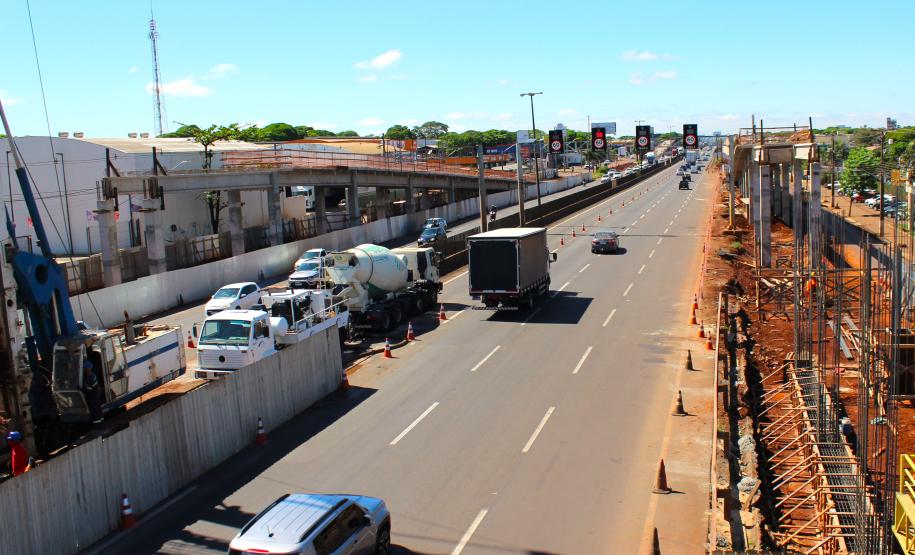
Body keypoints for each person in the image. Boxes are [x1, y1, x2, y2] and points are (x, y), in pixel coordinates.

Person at [83, 359, 104, 424]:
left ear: (87, 369)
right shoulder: (92, 375)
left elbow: (87, 389)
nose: (83, 370)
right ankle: (102, 423)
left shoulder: (90, 377)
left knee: (95, 413)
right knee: (98, 411)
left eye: (84, 368)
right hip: (96, 396)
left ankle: (98, 426)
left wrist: (80, 389)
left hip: (93, 397)